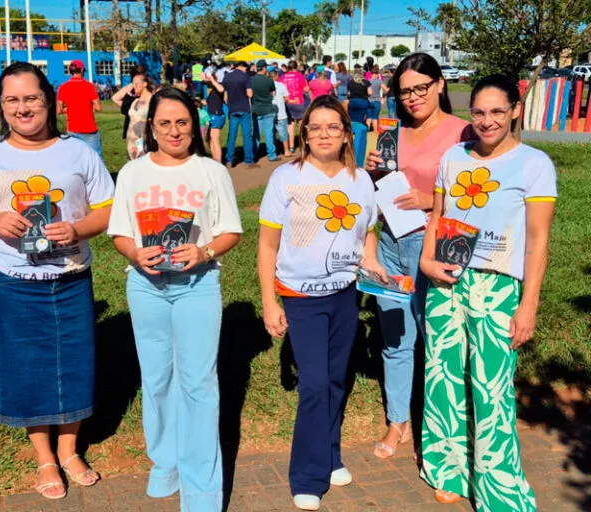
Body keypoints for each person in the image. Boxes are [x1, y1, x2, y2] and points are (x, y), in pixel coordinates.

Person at [0, 62, 115, 501]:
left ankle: (69, 450)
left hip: (69, 275)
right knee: (26, 367)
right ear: (2, 105)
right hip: (11, 278)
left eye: (31, 98)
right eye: (12, 100)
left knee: (74, 362)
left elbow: (107, 208)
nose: (22, 108)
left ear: (49, 101)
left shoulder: (78, 151)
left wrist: (78, 229)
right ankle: (44, 457)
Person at [418, 74, 553, 510]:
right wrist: (425, 260)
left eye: (497, 112)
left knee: (492, 389)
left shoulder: (534, 164)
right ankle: (447, 468)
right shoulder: (454, 157)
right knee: (442, 377)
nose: (487, 121)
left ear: (515, 110)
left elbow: (538, 243)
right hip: (447, 281)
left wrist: (528, 304)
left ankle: (498, 489)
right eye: (478, 112)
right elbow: (438, 216)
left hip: (498, 288)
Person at [108, 86, 243, 512]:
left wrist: (204, 251)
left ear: (194, 125)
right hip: (146, 287)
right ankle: (165, 463)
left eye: (182, 122)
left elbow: (231, 230)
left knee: (199, 384)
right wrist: (135, 253)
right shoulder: (133, 172)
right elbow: (119, 231)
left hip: (197, 287)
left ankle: (201, 490)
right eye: (164, 123)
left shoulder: (210, 171)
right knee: (157, 378)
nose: (173, 131)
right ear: (151, 126)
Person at [258, 95, 387, 512]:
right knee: (314, 384)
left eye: (333, 126)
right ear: (304, 134)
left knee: (334, 380)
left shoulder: (361, 180)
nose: (324, 134)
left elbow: (369, 229)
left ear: (348, 133)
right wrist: (269, 301)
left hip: (344, 295)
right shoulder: (286, 178)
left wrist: (371, 260)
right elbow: (266, 243)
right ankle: (307, 474)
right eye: (315, 127)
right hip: (300, 297)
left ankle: (330, 455)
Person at [364, 53, 475, 462]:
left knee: (438, 341)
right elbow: (380, 192)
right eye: (404, 91)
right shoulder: (392, 134)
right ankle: (398, 421)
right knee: (395, 339)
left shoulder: (463, 132)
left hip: (434, 247)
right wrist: (374, 172)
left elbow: (474, 195)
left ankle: (438, 427)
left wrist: (429, 199)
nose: (412, 98)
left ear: (440, 84)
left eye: (420, 88)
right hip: (391, 244)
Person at [57, 60, 103, 155]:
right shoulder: (89, 86)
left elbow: (59, 110)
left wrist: (70, 107)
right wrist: (89, 105)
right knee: (96, 158)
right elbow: (98, 108)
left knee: (75, 158)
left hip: (72, 129)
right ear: (82, 70)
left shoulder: (63, 87)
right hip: (89, 129)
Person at [224, 61, 259, 168]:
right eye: (246, 69)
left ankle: (229, 161)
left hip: (233, 109)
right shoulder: (245, 77)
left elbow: (225, 97)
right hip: (244, 108)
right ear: (243, 67)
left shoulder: (227, 77)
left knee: (232, 136)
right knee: (247, 136)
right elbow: (250, 94)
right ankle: (248, 161)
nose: (246, 70)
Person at [279, 60, 310, 154]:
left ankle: (291, 147)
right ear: (296, 67)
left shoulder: (282, 77)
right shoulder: (300, 76)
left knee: (290, 125)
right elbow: (305, 89)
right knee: (301, 125)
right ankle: (302, 145)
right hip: (298, 102)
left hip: (287, 102)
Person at [251, 59, 279, 162]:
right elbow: (273, 93)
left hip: (256, 109)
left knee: (256, 133)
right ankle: (271, 155)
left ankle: (253, 154)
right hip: (268, 108)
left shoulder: (251, 80)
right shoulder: (269, 80)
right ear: (264, 68)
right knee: (268, 133)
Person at [112, 64, 147, 142]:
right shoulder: (131, 87)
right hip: (133, 122)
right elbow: (115, 98)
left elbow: (115, 98)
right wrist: (131, 110)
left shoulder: (146, 86)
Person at [124, 74, 155, 160]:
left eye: (135, 84)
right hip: (130, 144)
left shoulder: (152, 100)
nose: (133, 87)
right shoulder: (136, 100)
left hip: (143, 144)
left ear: (145, 84)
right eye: (132, 84)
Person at [270, 68, 293, 158]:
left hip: (270, 111)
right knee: (283, 132)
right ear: (276, 76)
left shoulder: (267, 86)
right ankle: (286, 150)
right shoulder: (281, 85)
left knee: (271, 133)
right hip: (281, 112)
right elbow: (287, 98)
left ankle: (273, 151)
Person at [205, 72, 226, 162]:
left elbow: (221, 89)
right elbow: (207, 102)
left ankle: (218, 162)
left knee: (215, 139)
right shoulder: (212, 90)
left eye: (206, 78)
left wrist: (212, 79)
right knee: (210, 139)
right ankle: (215, 160)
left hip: (217, 116)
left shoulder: (218, 86)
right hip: (212, 115)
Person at [366, 65, 384, 130]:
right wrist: (383, 96)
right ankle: (375, 133)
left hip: (369, 101)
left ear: (371, 74)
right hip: (377, 100)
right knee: (375, 118)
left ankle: (367, 132)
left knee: (368, 118)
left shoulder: (367, 81)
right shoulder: (379, 81)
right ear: (377, 74)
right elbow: (386, 89)